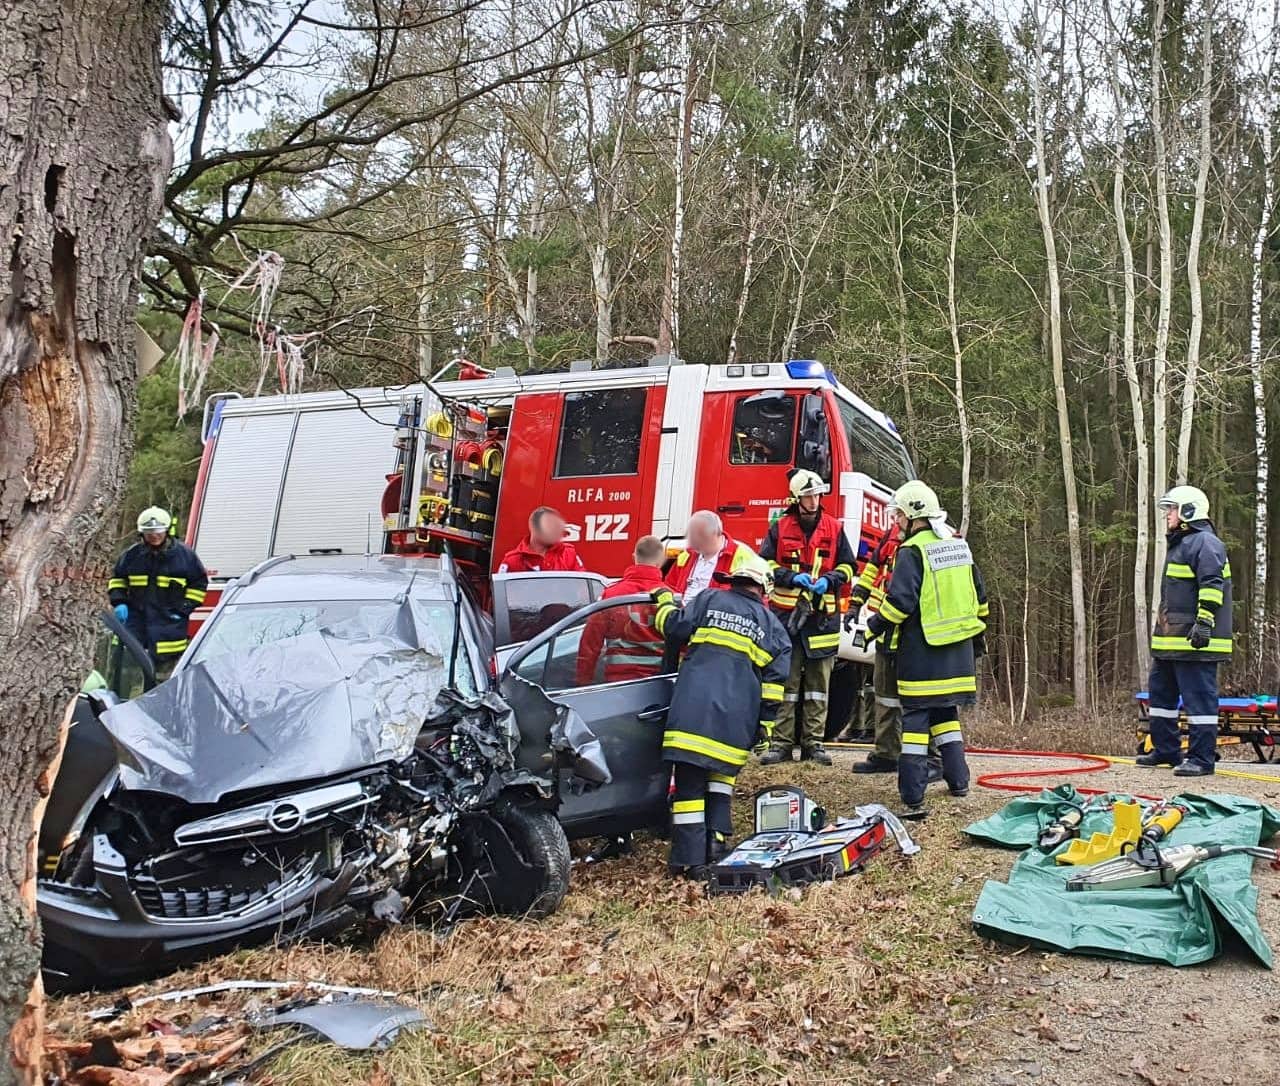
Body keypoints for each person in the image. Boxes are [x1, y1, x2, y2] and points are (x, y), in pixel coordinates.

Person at [651, 556, 791, 877]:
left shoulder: (709, 599)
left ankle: (691, 861)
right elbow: (773, 689)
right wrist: (764, 729)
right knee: (720, 781)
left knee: (688, 791)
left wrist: (661, 601)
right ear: (763, 589)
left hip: (693, 716)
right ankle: (716, 844)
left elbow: (673, 628)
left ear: (735, 580)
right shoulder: (774, 629)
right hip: (735, 725)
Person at [866, 481, 986, 818]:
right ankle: (959, 782)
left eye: (899, 516)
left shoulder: (912, 550)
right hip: (959, 654)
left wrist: (874, 627)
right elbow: (981, 596)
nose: (897, 523)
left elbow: (900, 602)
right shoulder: (957, 546)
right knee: (946, 716)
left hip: (924, 654)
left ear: (910, 516)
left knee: (916, 723)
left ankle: (912, 797)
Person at [759, 469, 856, 767]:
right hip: (786, 619)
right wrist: (791, 577)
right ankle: (781, 744)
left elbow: (849, 567)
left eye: (817, 495)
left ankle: (814, 744)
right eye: (808, 496)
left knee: (818, 686)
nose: (814, 500)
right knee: (785, 687)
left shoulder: (834, 528)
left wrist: (830, 579)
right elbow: (765, 564)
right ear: (797, 498)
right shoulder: (780, 526)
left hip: (821, 619)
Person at [1137, 485, 1232, 777]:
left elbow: (1212, 585)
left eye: (1173, 509)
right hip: (1171, 642)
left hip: (1197, 643)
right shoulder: (1181, 545)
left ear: (1189, 511)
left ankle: (1202, 759)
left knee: (1199, 701)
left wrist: (1204, 623)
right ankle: (1166, 750)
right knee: (1161, 696)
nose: (1168, 515)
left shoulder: (1205, 543)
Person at [108, 507, 208, 679]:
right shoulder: (131, 556)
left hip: (169, 632)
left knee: (165, 683)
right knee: (127, 680)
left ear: (167, 531)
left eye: (158, 532)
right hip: (136, 628)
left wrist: (183, 609)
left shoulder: (185, 557)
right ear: (142, 534)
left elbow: (199, 584)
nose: (154, 536)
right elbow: (118, 579)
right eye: (149, 533)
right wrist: (119, 602)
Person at [846, 517, 904, 768]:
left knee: (918, 700)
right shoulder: (890, 536)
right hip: (884, 626)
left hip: (910, 632)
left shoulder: (923, 542)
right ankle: (886, 753)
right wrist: (855, 603)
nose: (896, 519)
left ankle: (925, 757)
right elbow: (871, 571)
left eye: (899, 514)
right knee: (884, 694)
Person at [576, 535, 668, 685]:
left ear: (634, 557)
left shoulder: (612, 595)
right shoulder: (671, 597)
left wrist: (582, 683)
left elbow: (590, 643)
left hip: (619, 683)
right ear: (662, 560)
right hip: (659, 685)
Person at [664, 510, 756, 600]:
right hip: (684, 611)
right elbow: (669, 586)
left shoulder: (741, 556)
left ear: (716, 534)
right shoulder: (687, 554)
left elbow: (749, 598)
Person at [497, 507, 584, 573]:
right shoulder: (512, 561)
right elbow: (502, 594)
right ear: (534, 528)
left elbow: (583, 588)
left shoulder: (568, 554)